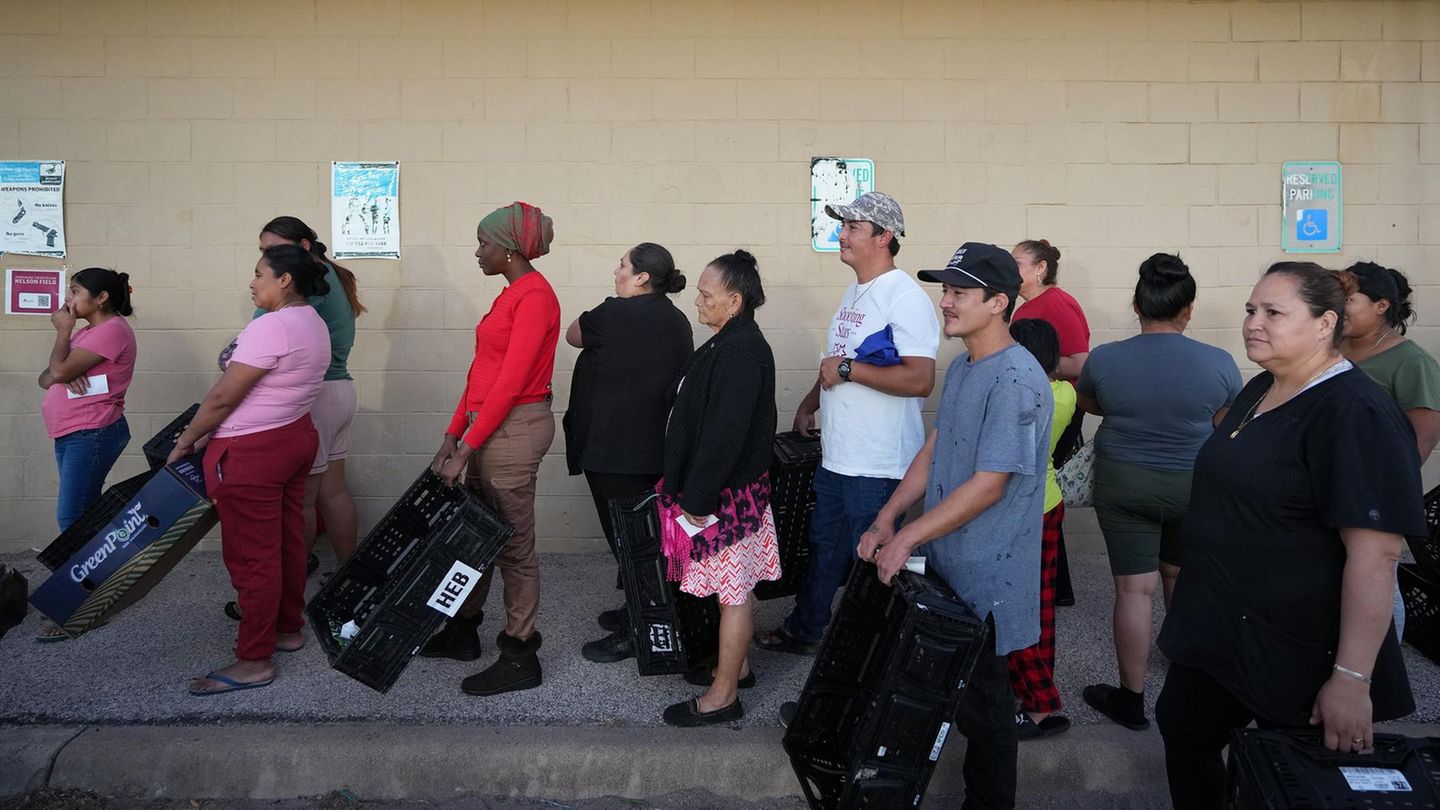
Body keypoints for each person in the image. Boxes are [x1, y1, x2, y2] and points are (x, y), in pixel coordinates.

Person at [1155, 263, 1422, 810]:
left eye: (1274, 312)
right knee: (1184, 730)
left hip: (1299, 647)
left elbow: (1376, 556)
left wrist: (1351, 678)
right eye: (1252, 309)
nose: (1254, 322)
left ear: (1326, 323)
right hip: (1222, 628)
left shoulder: (1355, 412)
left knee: (1296, 778)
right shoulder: (1260, 388)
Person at [859, 242, 1052, 810]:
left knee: (989, 715)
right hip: (951, 569)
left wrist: (909, 537)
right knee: (964, 698)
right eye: (945, 290)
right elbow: (937, 449)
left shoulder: (1016, 379)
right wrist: (888, 516)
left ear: (998, 302)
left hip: (988, 582)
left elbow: (990, 484)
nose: (945, 302)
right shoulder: (966, 365)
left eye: (958, 293)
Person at [757, 191, 938, 656]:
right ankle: (807, 628)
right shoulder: (854, 292)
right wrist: (810, 400)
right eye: (844, 225)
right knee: (826, 546)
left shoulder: (905, 298)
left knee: (876, 560)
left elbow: (919, 379)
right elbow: (836, 361)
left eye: (853, 227)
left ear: (885, 237)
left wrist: (846, 372)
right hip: (840, 455)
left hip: (879, 465)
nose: (842, 233)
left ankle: (873, 651)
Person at [1076, 253, 1242, 731]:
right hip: (1192, 484)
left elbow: (1090, 401)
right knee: (1178, 575)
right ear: (1188, 308)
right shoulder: (1219, 362)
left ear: (1136, 303)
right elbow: (1225, 421)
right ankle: (1189, 677)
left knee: (1134, 587)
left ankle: (1130, 700)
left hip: (1123, 481)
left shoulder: (1106, 358)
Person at [167, 245, 331, 694]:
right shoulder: (312, 322)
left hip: (253, 450)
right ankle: (287, 629)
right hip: (293, 438)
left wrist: (186, 440)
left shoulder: (274, 326)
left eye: (259, 273)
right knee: (286, 542)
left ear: (285, 280)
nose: (252, 282)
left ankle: (254, 659)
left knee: (252, 556)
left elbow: (223, 396)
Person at [421, 202, 561, 698]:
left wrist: (467, 448)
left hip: (513, 430)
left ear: (507, 249)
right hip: (487, 428)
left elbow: (511, 383)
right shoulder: (510, 296)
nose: (477, 252)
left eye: (483, 243)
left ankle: (521, 656)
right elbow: (481, 375)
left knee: (513, 549)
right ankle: (462, 633)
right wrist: (451, 435)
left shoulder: (535, 298)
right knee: (474, 538)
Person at [657, 249, 779, 727]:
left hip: (726, 500)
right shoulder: (729, 340)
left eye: (706, 296)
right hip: (723, 495)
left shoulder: (743, 351)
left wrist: (697, 502)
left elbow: (724, 435)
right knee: (732, 592)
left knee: (732, 595)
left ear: (734, 300)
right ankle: (739, 668)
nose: (697, 302)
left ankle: (723, 695)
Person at [564, 243, 694, 663]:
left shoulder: (615, 313)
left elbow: (572, 335)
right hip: (654, 453)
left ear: (641, 277)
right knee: (645, 542)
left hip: (612, 452)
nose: (616, 270)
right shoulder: (677, 320)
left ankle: (642, 630)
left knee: (629, 544)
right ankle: (639, 610)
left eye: (623, 265)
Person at [36, 267, 137, 642]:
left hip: (91, 433)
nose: (68, 299)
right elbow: (46, 377)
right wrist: (61, 370)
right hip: (73, 432)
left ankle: (81, 608)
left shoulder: (110, 330)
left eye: (76, 291)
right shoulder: (88, 332)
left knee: (71, 519)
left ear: (101, 298)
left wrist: (62, 338)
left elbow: (58, 369)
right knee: (84, 519)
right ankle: (98, 593)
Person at [1340, 261, 1439, 641]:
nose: (1338, 306)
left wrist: (1384, 491)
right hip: (1330, 487)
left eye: (1349, 299)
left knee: (1377, 581)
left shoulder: (1411, 362)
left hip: (1376, 494)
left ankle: (1383, 668)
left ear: (1381, 306)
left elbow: (1423, 438)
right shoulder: (1330, 349)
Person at [1005, 318, 1075, 740]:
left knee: (1014, 609)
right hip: (1049, 503)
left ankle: (1042, 702)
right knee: (1040, 606)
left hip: (1018, 510)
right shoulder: (1065, 393)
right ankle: (1033, 693)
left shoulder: (1020, 393)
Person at [1011, 239, 1089, 606]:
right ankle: (1055, 585)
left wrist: (1036, 365)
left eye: (1017, 263)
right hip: (1032, 403)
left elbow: (1081, 362)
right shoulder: (1025, 307)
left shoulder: (1056, 303)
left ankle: (1055, 587)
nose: (1011, 270)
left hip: (1052, 409)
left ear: (1040, 268)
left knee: (1041, 489)